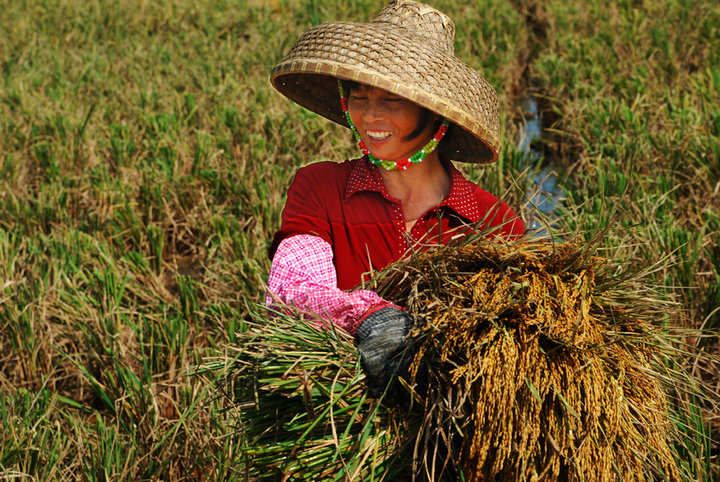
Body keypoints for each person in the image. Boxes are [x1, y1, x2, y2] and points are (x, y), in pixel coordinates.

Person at [266, 0, 524, 399]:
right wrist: (369, 315)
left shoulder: (492, 222)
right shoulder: (319, 187)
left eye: (392, 99)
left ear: (436, 113)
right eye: (359, 95)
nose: (370, 116)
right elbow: (294, 287)